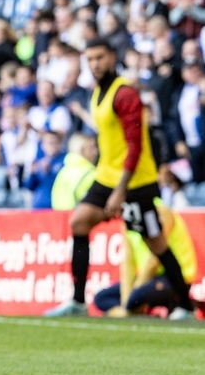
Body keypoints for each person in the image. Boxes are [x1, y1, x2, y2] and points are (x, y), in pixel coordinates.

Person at [45, 40, 196, 320]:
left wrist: (120, 191)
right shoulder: (97, 93)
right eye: (90, 59)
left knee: (155, 242)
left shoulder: (124, 93)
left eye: (100, 57)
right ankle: (78, 301)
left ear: (112, 57)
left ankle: (185, 305)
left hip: (134, 181)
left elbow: (135, 145)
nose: (95, 64)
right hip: (106, 175)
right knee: (79, 221)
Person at [94, 203, 197, 318]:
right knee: (101, 298)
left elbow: (154, 260)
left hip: (172, 276)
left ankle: (127, 313)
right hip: (147, 278)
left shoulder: (160, 211)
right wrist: (125, 301)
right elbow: (128, 262)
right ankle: (128, 313)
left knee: (135, 298)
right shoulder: (128, 217)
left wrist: (132, 295)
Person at [51, 133, 98, 211]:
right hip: (80, 218)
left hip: (60, 218)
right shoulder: (91, 174)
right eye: (92, 147)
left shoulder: (63, 171)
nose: (96, 152)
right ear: (82, 150)